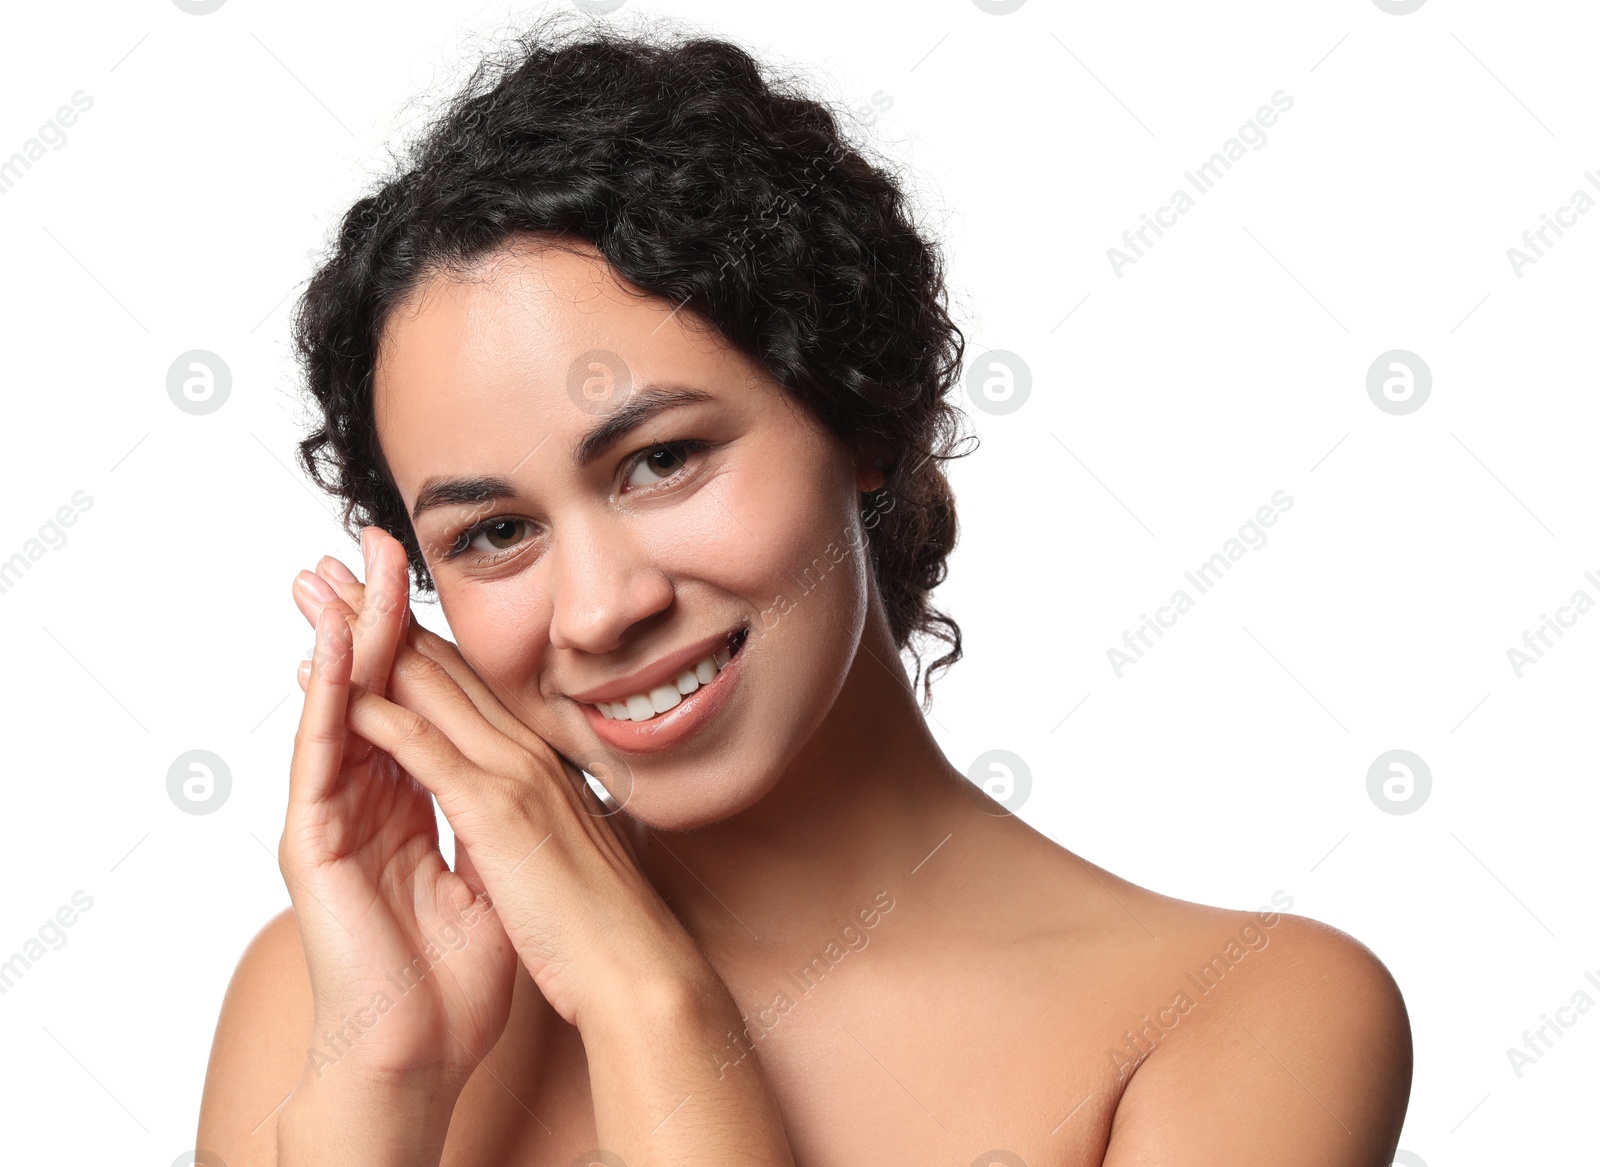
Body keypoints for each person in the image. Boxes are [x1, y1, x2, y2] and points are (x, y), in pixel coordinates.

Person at [196, 13, 1412, 1165]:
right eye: (497, 531)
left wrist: (647, 1002)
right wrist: (382, 1099)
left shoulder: (1242, 1017)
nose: (600, 608)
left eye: (662, 459)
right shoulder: (337, 1003)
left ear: (860, 411)